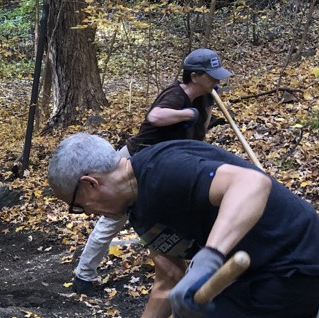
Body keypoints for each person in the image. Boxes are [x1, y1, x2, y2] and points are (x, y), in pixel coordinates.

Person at [48, 134, 319, 318]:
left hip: (292, 267)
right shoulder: (137, 209)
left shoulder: (165, 169)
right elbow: (169, 278)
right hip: (256, 275)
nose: (85, 214)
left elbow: (251, 183)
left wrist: (208, 258)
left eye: (78, 206)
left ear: (90, 184)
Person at [71, 48, 232, 295]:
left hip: (161, 169)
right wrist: (187, 113)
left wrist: (205, 108)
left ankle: (186, 270)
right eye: (212, 76)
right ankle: (83, 276)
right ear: (195, 76)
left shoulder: (204, 97)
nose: (217, 80)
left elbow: (199, 132)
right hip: (132, 162)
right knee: (114, 218)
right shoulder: (176, 94)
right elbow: (155, 117)